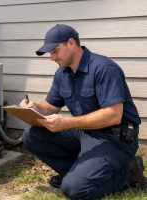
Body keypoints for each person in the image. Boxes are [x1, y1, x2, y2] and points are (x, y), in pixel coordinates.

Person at [20, 24, 146, 199]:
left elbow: (114, 115)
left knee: (74, 190)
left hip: (115, 139)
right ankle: (76, 173)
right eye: (50, 53)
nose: (52, 58)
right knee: (32, 134)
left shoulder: (104, 69)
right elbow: (51, 105)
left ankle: (129, 172)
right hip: (86, 134)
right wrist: (35, 108)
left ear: (71, 43)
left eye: (55, 51)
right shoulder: (62, 73)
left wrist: (66, 123)